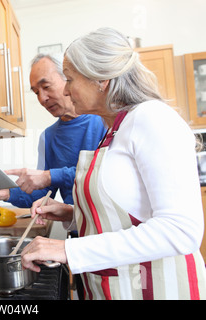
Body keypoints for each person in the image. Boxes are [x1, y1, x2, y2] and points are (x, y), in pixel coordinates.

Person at [21, 27, 206, 300]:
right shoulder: (114, 130)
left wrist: (68, 250)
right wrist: (72, 214)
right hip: (117, 287)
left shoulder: (152, 118)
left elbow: (181, 230)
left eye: (70, 79)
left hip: (157, 289)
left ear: (101, 79)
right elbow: (129, 209)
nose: (67, 90)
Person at [0, 54, 107, 207]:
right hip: (77, 227)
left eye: (46, 87)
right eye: (36, 92)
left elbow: (106, 172)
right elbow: (43, 191)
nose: (42, 99)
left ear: (68, 80)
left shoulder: (105, 120)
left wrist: (50, 176)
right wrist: (6, 193)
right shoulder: (48, 137)